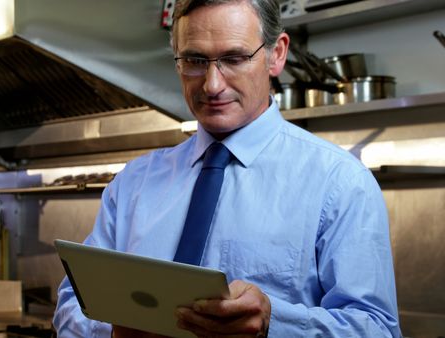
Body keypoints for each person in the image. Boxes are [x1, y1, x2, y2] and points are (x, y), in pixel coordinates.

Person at [53, 0, 401, 337]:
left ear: (276, 54)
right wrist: (112, 331)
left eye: (234, 58)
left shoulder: (339, 182)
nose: (212, 85)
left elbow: (378, 329)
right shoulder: (132, 183)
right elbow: (72, 302)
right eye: (194, 60)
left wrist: (274, 324)